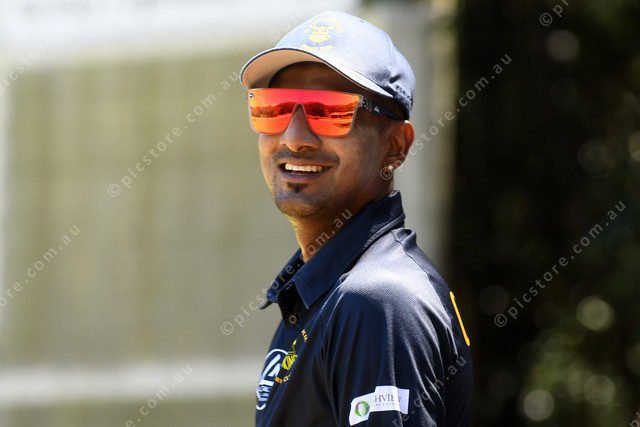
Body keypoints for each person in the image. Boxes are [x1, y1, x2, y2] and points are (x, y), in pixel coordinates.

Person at [240, 10, 472, 427]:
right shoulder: (322, 294)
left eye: (329, 111)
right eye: (273, 109)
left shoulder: (378, 302)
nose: (294, 137)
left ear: (396, 145)